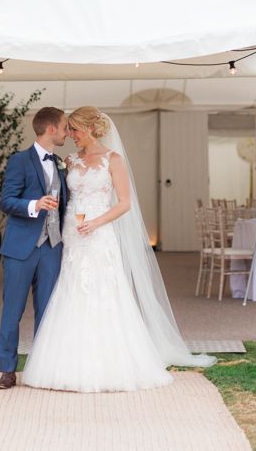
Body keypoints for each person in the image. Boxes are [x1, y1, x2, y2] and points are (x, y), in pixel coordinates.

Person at [22, 106, 215, 393]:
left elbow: (124, 203)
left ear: (88, 129)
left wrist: (97, 223)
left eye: (74, 129)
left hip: (100, 235)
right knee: (72, 289)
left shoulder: (113, 160)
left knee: (104, 291)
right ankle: (67, 362)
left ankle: (110, 363)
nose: (70, 135)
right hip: (73, 235)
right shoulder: (70, 161)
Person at [0, 107, 69, 390]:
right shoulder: (19, 161)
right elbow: (6, 200)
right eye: (64, 128)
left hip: (52, 247)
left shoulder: (61, 162)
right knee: (12, 311)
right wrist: (34, 205)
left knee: (47, 312)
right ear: (51, 129)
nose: (66, 133)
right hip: (20, 248)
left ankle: (41, 368)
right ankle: (7, 370)